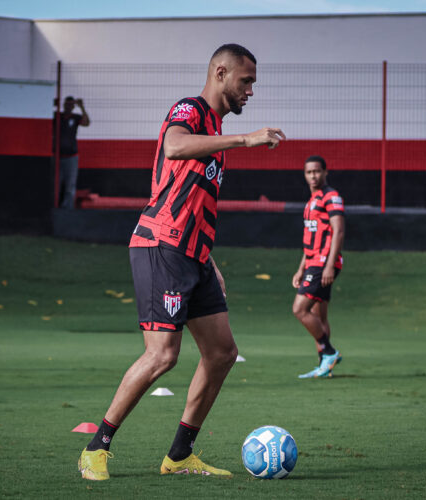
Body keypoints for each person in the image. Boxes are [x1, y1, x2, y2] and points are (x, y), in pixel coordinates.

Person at [78, 43, 286, 480]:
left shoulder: (215, 132)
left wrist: (210, 262)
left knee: (222, 353)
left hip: (195, 255)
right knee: (162, 355)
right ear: (220, 72)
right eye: (246, 81)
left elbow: (195, 203)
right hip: (161, 245)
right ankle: (96, 448)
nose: (251, 91)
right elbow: (173, 147)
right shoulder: (189, 110)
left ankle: (178, 456)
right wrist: (246, 139)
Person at [291, 155, 345, 378]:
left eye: (316, 171)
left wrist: (329, 265)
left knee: (299, 309)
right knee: (318, 315)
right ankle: (325, 365)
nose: (313, 176)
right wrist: (301, 268)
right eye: (309, 172)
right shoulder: (311, 201)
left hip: (323, 264)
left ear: (325, 172)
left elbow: (338, 231)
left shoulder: (331, 196)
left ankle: (329, 352)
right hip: (313, 263)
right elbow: (311, 238)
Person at [53, 96, 90, 209]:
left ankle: (68, 207)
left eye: (71, 104)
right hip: (57, 156)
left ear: (73, 106)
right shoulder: (57, 116)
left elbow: (86, 123)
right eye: (66, 104)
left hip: (71, 157)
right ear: (63, 105)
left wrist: (82, 107)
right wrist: (53, 105)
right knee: (56, 183)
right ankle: (55, 205)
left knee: (70, 184)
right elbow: (46, 117)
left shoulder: (75, 117)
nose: (68, 106)